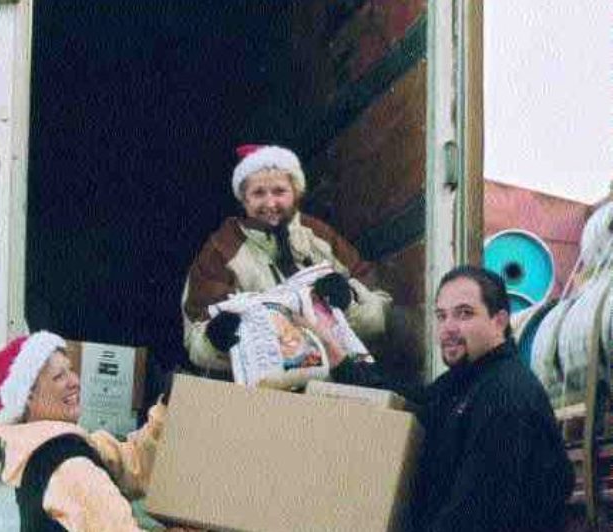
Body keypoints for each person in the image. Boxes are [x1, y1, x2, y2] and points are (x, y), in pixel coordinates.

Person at [324, 265, 574, 532]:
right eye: (442, 316)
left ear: (499, 321)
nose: (448, 328)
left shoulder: (506, 397)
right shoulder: (468, 379)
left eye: (464, 314)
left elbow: (472, 516)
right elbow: (416, 399)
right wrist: (341, 362)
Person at [182, 144, 391, 375]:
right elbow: (195, 340)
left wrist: (348, 303)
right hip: (259, 395)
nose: (270, 204)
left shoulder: (320, 236)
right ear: (244, 199)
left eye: (279, 192)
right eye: (258, 193)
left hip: (331, 387)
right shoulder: (221, 250)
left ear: (296, 193)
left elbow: (380, 315)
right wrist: (216, 341)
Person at [0, 331, 174, 532]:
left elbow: (133, 463)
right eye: (59, 377)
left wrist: (165, 410)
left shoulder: (45, 450)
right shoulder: (69, 467)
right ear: (27, 396)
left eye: (71, 371)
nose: (75, 382)